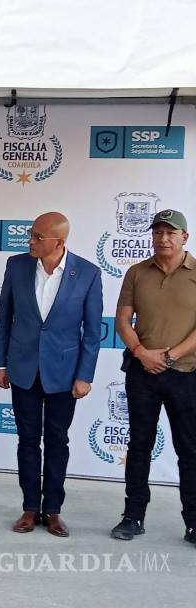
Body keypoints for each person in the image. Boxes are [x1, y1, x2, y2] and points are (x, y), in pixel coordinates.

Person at [0, 212, 102, 537]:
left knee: (57, 441)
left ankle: (52, 510)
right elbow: (4, 316)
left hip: (64, 373)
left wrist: (85, 375)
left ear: (59, 242)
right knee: (27, 440)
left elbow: (92, 332)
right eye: (31, 234)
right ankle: (29, 508)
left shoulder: (88, 273)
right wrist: (0, 363)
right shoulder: (17, 266)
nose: (31, 241)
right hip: (23, 368)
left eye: (38, 237)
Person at [111, 209, 196, 547]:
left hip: (186, 374)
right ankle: (133, 516)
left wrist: (171, 356)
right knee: (139, 445)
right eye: (158, 232)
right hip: (142, 373)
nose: (163, 238)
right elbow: (122, 319)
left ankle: (193, 522)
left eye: (171, 233)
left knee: (189, 449)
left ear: (184, 237)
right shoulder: (136, 272)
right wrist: (141, 353)